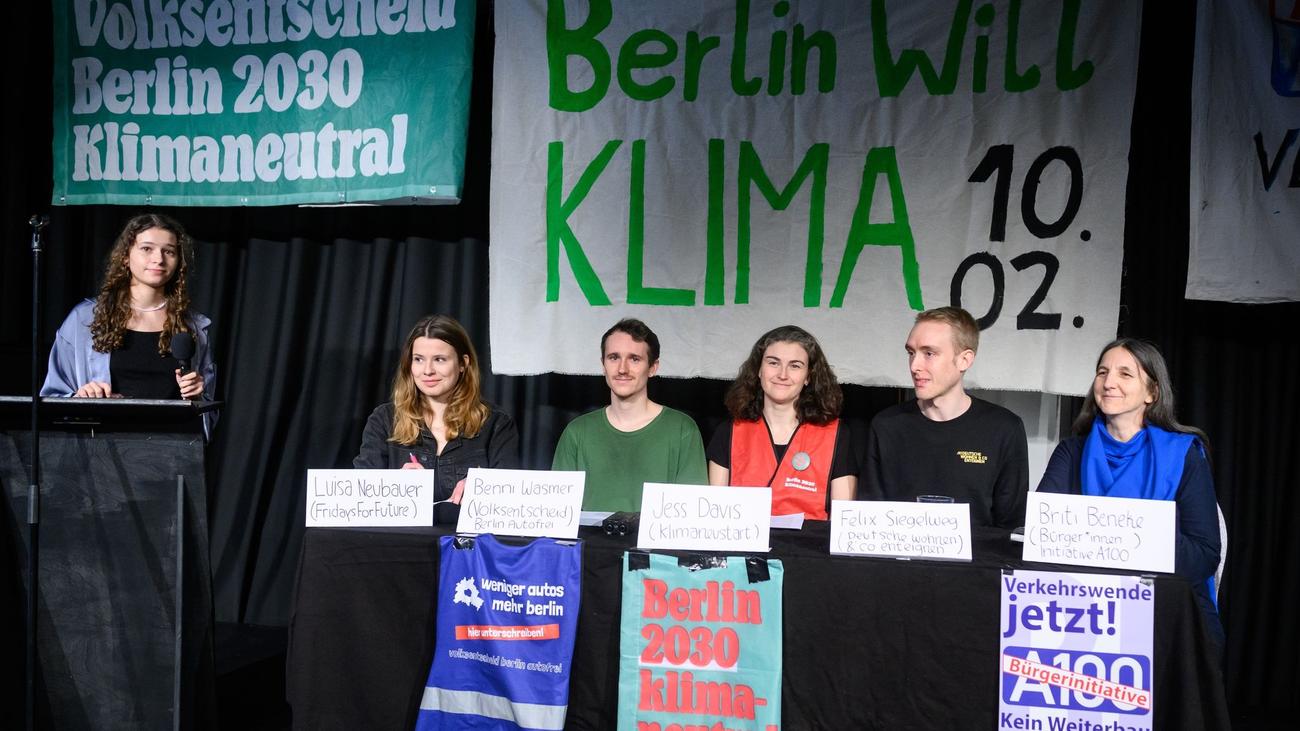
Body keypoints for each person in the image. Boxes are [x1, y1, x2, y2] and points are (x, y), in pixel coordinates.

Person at [1036, 338, 1223, 649]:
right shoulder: (1071, 451)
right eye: (1102, 372)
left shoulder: (1185, 454)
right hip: (1083, 604)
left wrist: (1122, 532)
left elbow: (1203, 556)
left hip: (1165, 603)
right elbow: (1041, 534)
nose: (1109, 382)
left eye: (1125, 374)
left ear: (1152, 392)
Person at [858, 306, 1028, 529]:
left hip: (977, 563)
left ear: (964, 360)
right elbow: (870, 519)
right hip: (901, 563)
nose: (915, 366)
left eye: (929, 353)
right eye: (911, 353)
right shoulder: (887, 425)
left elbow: (1012, 527)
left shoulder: (1004, 429)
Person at [355, 315, 519, 524]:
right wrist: (392, 486)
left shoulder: (496, 424)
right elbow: (359, 496)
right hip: (399, 546)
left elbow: (511, 501)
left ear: (463, 364)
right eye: (418, 359)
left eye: (440, 359)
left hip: (469, 550)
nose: (428, 370)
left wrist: (486, 489)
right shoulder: (384, 420)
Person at [42, 213, 215, 405]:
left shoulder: (194, 327)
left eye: (169, 251)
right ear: (125, 256)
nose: (158, 259)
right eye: (147, 249)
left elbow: (209, 408)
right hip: (104, 433)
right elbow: (52, 396)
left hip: (173, 434)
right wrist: (79, 398)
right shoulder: (84, 319)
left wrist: (198, 397)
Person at [552, 318, 707, 512]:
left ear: (653, 368)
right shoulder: (577, 431)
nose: (622, 369)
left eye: (634, 359)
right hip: (590, 543)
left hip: (656, 543)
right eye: (614, 357)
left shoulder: (682, 429)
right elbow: (559, 513)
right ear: (603, 364)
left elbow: (691, 513)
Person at [707, 325, 856, 520]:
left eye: (795, 365)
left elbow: (843, 522)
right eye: (773, 363)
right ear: (758, 370)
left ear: (808, 376)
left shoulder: (837, 434)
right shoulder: (729, 432)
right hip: (744, 547)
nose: (783, 374)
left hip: (810, 548)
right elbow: (716, 515)